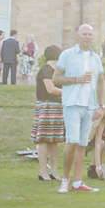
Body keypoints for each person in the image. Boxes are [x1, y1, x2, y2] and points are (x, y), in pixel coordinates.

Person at [53, 24, 105, 193]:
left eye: (90, 34)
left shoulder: (96, 58)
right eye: (85, 34)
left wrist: (101, 106)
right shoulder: (67, 55)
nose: (88, 37)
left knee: (82, 144)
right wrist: (76, 79)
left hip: (90, 106)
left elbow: (101, 82)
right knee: (72, 141)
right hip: (72, 104)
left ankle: (78, 182)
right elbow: (56, 78)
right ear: (77, 36)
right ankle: (65, 180)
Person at [32, 45, 65, 181]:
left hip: (57, 107)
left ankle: (54, 171)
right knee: (44, 140)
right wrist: (68, 93)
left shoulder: (56, 71)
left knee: (54, 141)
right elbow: (50, 89)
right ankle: (43, 171)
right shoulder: (46, 70)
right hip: (46, 107)